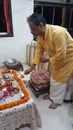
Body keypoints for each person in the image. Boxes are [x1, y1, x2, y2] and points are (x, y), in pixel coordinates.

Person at [24, 12, 73, 109]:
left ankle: (57, 101)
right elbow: (38, 52)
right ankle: (52, 96)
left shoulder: (58, 33)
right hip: (57, 58)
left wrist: (47, 60)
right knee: (53, 76)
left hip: (68, 57)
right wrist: (31, 68)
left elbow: (62, 55)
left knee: (60, 80)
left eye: (33, 28)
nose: (31, 31)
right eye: (30, 28)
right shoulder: (40, 36)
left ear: (41, 25)